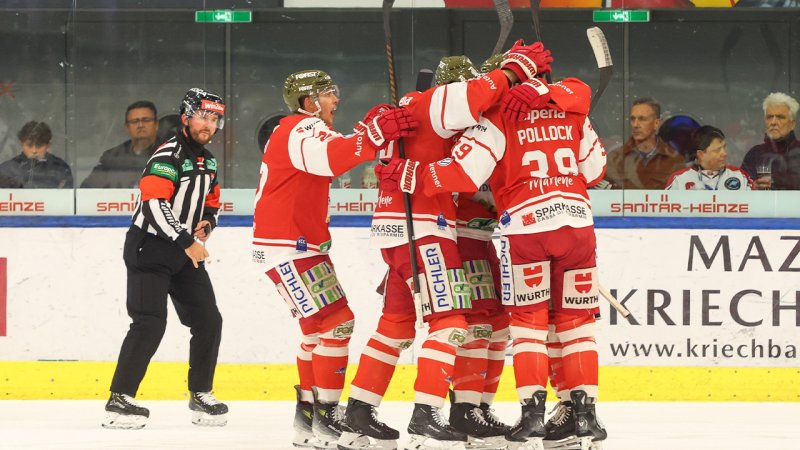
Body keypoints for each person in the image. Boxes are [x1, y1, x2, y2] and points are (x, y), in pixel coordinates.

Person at [339, 40, 554, 450]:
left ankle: (359, 411)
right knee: (452, 321)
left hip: (399, 229)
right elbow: (470, 114)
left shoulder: (413, 109)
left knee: (397, 325)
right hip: (424, 230)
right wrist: (513, 71)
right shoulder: (438, 102)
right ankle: (426, 416)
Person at [377, 72, 608, 449]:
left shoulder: (500, 114)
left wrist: (413, 173)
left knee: (529, 323)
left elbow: (464, 174)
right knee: (577, 323)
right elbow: (595, 171)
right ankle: (585, 416)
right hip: (578, 226)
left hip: (529, 228)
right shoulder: (573, 110)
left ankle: (532, 417)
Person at [250, 69, 417, 449]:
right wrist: (376, 132)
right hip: (289, 246)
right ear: (310, 102)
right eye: (329, 94)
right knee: (339, 322)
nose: (336, 100)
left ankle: (307, 417)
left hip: (293, 245)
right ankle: (328, 416)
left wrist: (373, 128)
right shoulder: (300, 128)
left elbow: (345, 146)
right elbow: (334, 158)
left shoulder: (302, 130)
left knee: (316, 330)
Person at [103, 88, 228, 430]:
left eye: (215, 118)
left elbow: (213, 198)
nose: (209, 124)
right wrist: (188, 240)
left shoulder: (208, 159)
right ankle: (119, 399)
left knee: (208, 320)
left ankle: (200, 393)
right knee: (149, 322)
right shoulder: (167, 155)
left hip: (181, 250)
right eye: (203, 116)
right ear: (186, 118)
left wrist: (209, 221)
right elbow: (153, 205)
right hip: (151, 248)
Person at [604, 97, 685, 189]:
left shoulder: (674, 160)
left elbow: (682, 198)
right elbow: (602, 196)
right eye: (633, 119)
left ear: (656, 123)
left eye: (642, 119)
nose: (635, 125)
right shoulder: (615, 158)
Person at [81, 101, 160, 188]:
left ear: (156, 124)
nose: (140, 125)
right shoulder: (112, 157)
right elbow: (87, 190)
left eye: (146, 120)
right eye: (134, 121)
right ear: (127, 127)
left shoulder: (171, 153)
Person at [740, 92, 800, 190]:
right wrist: (752, 186)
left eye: (780, 117)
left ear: (792, 124)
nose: (773, 122)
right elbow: (740, 191)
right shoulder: (755, 153)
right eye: (769, 117)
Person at [666, 125, 753, 190]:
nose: (725, 153)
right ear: (701, 154)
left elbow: (756, 210)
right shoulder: (679, 179)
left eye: (724, 147)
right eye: (717, 150)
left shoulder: (740, 176)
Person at [0, 121, 72, 188]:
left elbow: (66, 198)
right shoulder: (7, 170)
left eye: (39, 145)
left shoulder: (60, 168)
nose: (34, 151)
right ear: (21, 144)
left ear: (48, 145)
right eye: (29, 145)